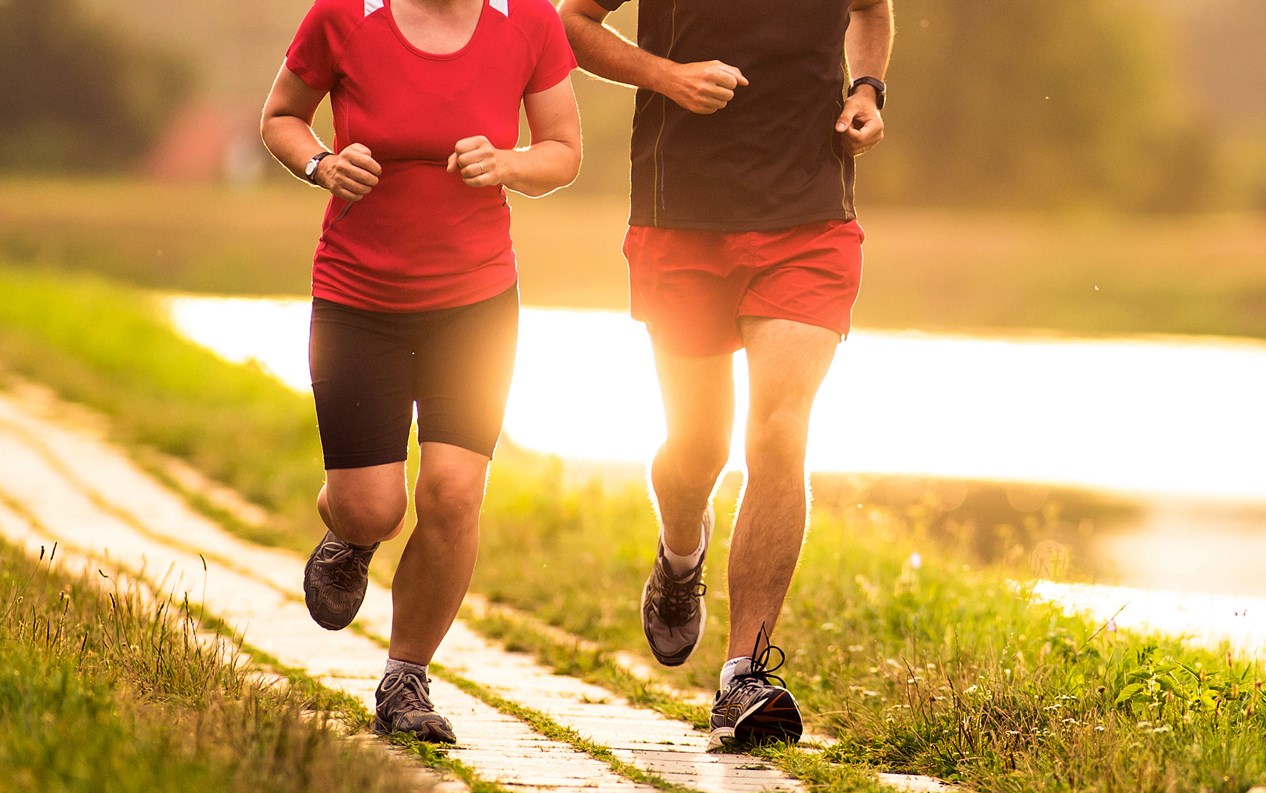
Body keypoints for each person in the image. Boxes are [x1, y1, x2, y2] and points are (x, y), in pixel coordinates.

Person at [559, 0, 892, 749]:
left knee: (779, 432)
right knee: (697, 450)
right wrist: (665, 76)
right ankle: (682, 549)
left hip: (809, 214)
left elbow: (871, 9)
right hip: (683, 215)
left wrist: (867, 91)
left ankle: (745, 672)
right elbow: (570, 23)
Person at [262, 0, 581, 744]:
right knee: (374, 506)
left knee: (453, 493)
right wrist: (323, 164)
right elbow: (281, 116)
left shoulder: (529, 20)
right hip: (357, 299)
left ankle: (407, 675)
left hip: (475, 302)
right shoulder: (343, 15)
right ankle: (352, 537)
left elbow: (563, 150)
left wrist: (507, 163)